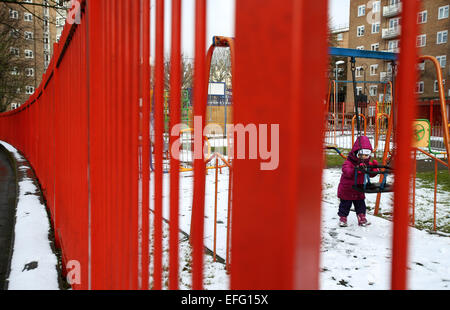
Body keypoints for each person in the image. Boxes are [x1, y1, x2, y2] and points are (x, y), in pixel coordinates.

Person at [337, 136, 379, 227]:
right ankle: (343, 218)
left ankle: (362, 218)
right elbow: (347, 171)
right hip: (347, 189)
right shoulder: (348, 162)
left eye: (366, 155)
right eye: (360, 155)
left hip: (359, 189)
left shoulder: (366, 164)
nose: (363, 157)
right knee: (345, 205)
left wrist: (374, 169)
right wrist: (356, 169)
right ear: (355, 153)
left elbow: (370, 174)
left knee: (361, 205)